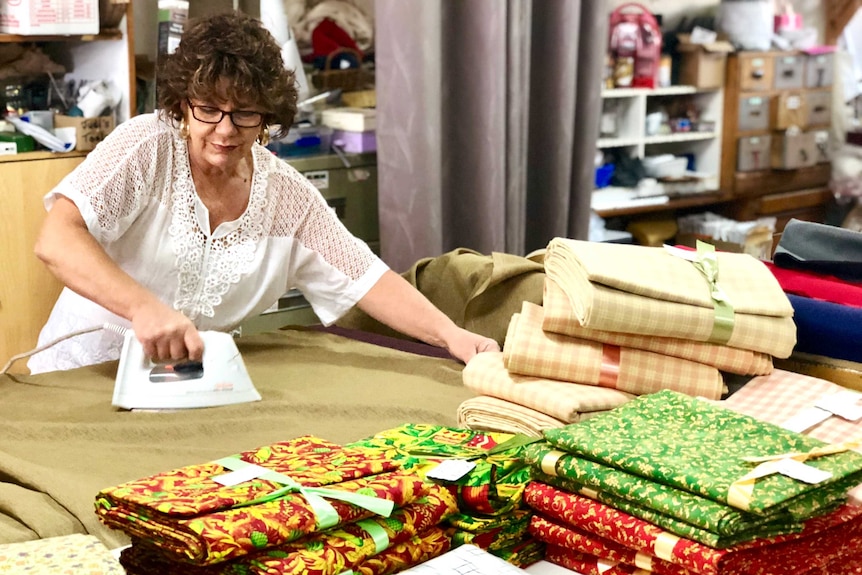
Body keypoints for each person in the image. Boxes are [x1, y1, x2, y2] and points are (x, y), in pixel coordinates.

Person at [27, 11, 499, 374]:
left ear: (268, 117)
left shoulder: (287, 199)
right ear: (182, 106)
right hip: (79, 373)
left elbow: (366, 277)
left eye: (246, 113)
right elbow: (57, 239)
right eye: (209, 109)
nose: (225, 130)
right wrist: (143, 308)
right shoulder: (146, 148)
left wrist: (451, 336)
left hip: (186, 388)